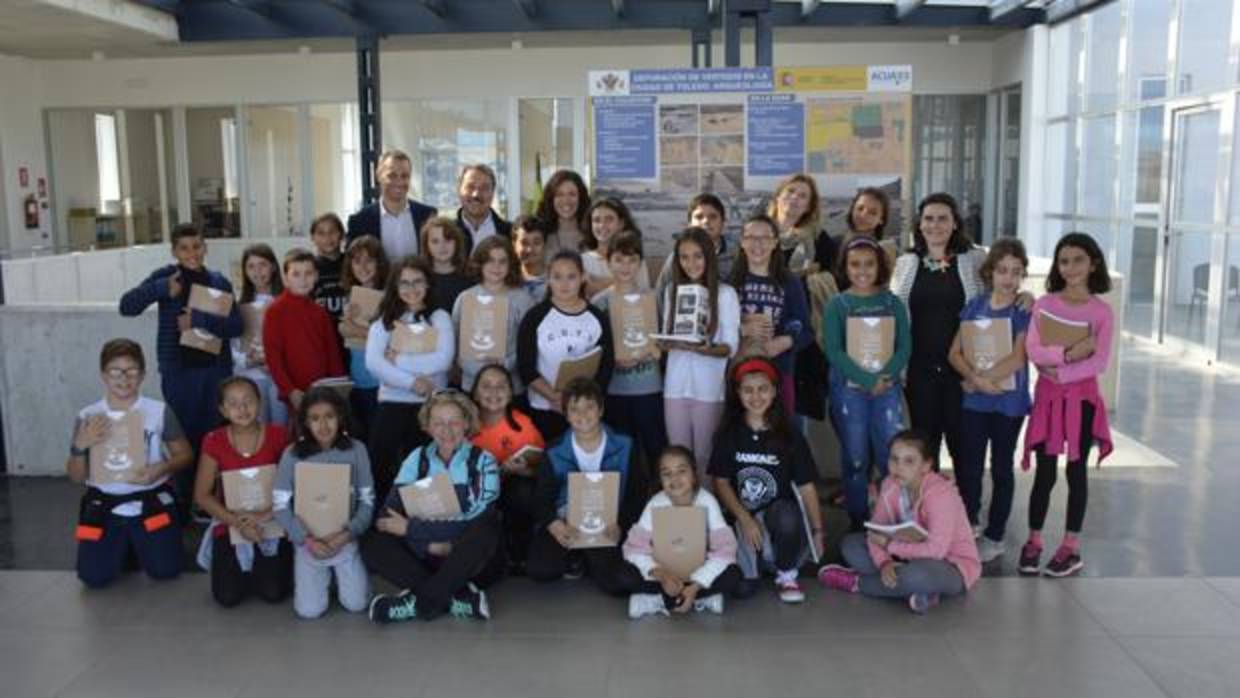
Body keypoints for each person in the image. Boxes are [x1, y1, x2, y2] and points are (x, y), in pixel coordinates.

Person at [118, 223, 241, 498]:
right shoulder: (165, 277)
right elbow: (126, 306)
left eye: (197, 246)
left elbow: (235, 327)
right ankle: (183, 504)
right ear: (174, 251)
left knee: (213, 438)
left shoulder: (219, 282)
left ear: (205, 247)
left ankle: (209, 502)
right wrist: (161, 289)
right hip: (179, 373)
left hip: (214, 371)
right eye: (184, 248)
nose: (191, 253)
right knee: (182, 440)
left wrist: (199, 320)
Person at [1019, 232, 1114, 578]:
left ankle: (1071, 547)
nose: (1070, 267)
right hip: (1047, 400)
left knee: (1076, 472)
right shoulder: (1045, 305)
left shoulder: (1102, 312)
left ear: (1093, 263)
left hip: (1082, 401)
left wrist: (1062, 373)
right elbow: (1033, 349)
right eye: (1064, 261)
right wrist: (1069, 354)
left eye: (1078, 260)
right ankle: (1033, 541)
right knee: (1044, 474)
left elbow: (1100, 361)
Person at [364, 390, 500, 622]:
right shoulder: (416, 459)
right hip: (423, 554)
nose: (446, 430)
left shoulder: (483, 460)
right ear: (427, 426)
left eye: (454, 422)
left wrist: (411, 529)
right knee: (370, 542)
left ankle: (416, 602)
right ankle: (457, 598)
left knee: (487, 528)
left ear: (466, 423)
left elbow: (476, 520)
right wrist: (430, 544)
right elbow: (388, 516)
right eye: (438, 423)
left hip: (465, 556)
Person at [68, 339, 193, 588]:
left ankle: (137, 544)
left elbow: (186, 455)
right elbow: (76, 477)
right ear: (103, 375)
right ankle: (125, 544)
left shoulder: (158, 411)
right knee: (93, 578)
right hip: (105, 505)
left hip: (151, 501)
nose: (124, 378)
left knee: (165, 571)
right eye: (115, 371)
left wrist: (162, 468)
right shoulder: (88, 416)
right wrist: (79, 446)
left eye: (131, 371)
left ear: (143, 374)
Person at [818, 430, 981, 614]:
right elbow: (875, 531)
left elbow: (937, 551)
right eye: (894, 459)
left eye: (909, 461)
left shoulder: (940, 494)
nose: (898, 467)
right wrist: (884, 563)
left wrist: (889, 547)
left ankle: (858, 583)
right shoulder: (890, 484)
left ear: (926, 466)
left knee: (916, 576)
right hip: (904, 556)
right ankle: (920, 593)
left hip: (949, 565)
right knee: (851, 545)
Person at [709, 358, 824, 604]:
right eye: (748, 390)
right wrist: (745, 518)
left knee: (786, 514)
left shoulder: (790, 434)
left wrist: (818, 530)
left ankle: (786, 573)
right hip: (744, 521)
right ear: (738, 393)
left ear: (774, 391)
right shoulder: (729, 433)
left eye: (763, 388)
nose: (756, 396)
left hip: (779, 522)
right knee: (741, 590)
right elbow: (721, 481)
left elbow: (806, 486)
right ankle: (757, 564)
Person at [947, 238, 1032, 562]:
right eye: (1002, 270)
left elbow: (1018, 358)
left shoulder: (1022, 311)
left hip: (1008, 403)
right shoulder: (974, 306)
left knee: (1001, 468)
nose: (1008, 278)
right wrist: (974, 379)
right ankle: (970, 523)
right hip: (976, 400)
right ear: (990, 272)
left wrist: (984, 380)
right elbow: (954, 353)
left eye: (1016, 272)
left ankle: (996, 536)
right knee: (969, 467)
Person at [891, 193, 987, 471]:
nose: (935, 225)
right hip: (920, 370)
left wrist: (1026, 296)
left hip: (962, 371)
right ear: (919, 225)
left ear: (955, 223)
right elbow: (896, 315)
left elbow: (997, 301)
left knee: (964, 447)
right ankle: (928, 510)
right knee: (925, 448)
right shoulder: (906, 263)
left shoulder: (975, 260)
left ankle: (967, 511)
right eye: (928, 219)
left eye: (943, 218)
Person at [527, 378, 648, 596]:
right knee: (541, 570)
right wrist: (555, 525)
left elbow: (637, 493)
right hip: (567, 522)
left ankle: (587, 557)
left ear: (601, 409)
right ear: (566, 414)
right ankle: (578, 555)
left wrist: (621, 525)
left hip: (607, 523)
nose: (582, 415)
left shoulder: (625, 444)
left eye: (589, 406)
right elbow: (542, 497)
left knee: (622, 584)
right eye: (574, 409)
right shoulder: (554, 450)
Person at [823, 237, 911, 528]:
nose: (862, 270)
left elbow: (904, 347)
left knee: (891, 457)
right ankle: (857, 520)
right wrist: (865, 379)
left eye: (869, 264)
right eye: (855, 264)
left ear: (879, 266)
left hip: (886, 391)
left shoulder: (892, 303)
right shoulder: (838, 304)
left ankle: (891, 518)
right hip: (849, 393)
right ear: (844, 267)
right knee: (856, 457)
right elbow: (834, 350)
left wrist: (882, 378)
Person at [271, 387, 374, 619]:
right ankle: (323, 578)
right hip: (309, 543)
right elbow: (279, 505)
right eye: (315, 418)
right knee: (309, 611)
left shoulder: (357, 450)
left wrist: (347, 535)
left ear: (341, 417)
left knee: (357, 604)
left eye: (329, 416)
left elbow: (367, 501)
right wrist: (306, 539)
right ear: (305, 422)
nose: (323, 425)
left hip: (344, 539)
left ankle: (346, 576)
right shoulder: (293, 453)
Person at [192, 376, 292, 607]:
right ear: (223, 410)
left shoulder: (279, 436)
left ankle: (264, 567)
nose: (242, 409)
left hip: (273, 518)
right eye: (233, 403)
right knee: (227, 597)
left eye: (248, 401)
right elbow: (202, 495)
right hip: (231, 521)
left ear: (260, 402)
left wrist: (264, 516)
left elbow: (293, 485)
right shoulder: (214, 440)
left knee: (274, 593)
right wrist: (239, 523)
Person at [364, 255, 455, 503]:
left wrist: (399, 360)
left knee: (426, 469)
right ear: (395, 286)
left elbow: (443, 360)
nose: (411, 289)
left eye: (418, 282)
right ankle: (383, 515)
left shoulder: (439, 317)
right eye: (404, 283)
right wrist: (412, 383)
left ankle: (425, 521)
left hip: (431, 405)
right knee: (381, 464)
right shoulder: (383, 322)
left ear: (428, 284)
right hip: (392, 402)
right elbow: (374, 363)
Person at [622, 446, 741, 619]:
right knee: (623, 575)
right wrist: (661, 575)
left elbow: (725, 551)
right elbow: (634, 549)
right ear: (660, 478)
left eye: (681, 471)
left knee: (733, 575)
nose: (674, 479)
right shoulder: (656, 503)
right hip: (663, 574)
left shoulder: (707, 501)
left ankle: (668, 598)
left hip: (697, 574)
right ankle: (699, 599)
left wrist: (696, 585)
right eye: (666, 473)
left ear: (694, 474)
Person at [658, 226, 739, 478]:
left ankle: (706, 514)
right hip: (674, 387)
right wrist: (665, 344)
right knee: (678, 456)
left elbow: (731, 346)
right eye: (684, 257)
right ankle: (684, 514)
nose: (690, 263)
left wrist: (708, 349)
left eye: (697, 256)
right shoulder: (672, 291)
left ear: (709, 256)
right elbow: (667, 332)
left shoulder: (726, 294)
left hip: (708, 390)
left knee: (704, 457)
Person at [517, 250, 615, 442]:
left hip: (585, 412)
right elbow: (525, 367)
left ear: (582, 277)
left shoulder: (597, 318)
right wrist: (555, 397)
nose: (564, 284)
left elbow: (606, 367)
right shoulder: (535, 317)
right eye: (557, 277)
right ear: (549, 279)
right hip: (545, 407)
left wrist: (582, 402)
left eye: (571, 277)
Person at [590, 231, 666, 468]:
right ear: (608, 261)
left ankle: (659, 499)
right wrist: (611, 358)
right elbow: (592, 348)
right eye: (619, 260)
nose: (625, 266)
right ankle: (625, 502)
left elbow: (663, 341)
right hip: (614, 390)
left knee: (655, 449)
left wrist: (653, 350)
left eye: (632, 260)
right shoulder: (599, 302)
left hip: (649, 388)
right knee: (621, 454)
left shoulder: (652, 299)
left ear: (641, 263)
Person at [730, 213, 812, 417]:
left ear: (775, 243)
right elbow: (717, 330)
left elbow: (806, 331)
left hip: (779, 372)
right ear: (742, 242)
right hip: (740, 373)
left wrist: (784, 341)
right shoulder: (730, 282)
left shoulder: (790, 282)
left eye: (765, 238)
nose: (758, 244)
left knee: (782, 435)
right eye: (750, 237)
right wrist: (742, 329)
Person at [471, 364, 546, 572]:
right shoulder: (464, 425)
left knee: (524, 490)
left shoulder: (524, 426)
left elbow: (543, 470)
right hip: (475, 496)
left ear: (511, 393)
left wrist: (527, 471)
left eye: (501, 386)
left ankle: (519, 546)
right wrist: (497, 470)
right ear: (475, 393)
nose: (494, 392)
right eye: (486, 386)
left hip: (512, 496)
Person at [261, 248, 347, 414]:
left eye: (308, 273)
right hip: (296, 392)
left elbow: (332, 354)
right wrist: (290, 391)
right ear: (286, 278)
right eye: (296, 274)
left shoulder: (320, 312)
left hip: (324, 391)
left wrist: (339, 386)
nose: (303, 279)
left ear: (315, 276)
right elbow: (273, 357)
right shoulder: (275, 311)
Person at [451, 236, 535, 394]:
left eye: (502, 261)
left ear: (510, 265)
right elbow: (455, 340)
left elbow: (529, 344)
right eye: (490, 260)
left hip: (510, 386)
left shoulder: (523, 299)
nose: (496, 267)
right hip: (473, 384)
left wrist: (506, 363)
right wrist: (469, 366)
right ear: (480, 263)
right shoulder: (465, 298)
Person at [337, 235, 391, 441]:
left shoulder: (390, 296)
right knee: (364, 436)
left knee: (383, 440)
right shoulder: (351, 295)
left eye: (369, 260)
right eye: (357, 261)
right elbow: (344, 332)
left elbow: (391, 339)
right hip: (359, 379)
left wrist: (353, 329)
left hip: (383, 381)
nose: (363, 267)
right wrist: (346, 326)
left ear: (380, 263)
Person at [346, 149, 438, 261]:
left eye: (404, 176)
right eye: (392, 176)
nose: (399, 182)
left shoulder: (427, 216)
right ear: (378, 176)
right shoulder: (359, 222)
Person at [232, 243, 287, 426]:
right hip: (252, 376)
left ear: (273, 266)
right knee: (259, 429)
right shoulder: (238, 306)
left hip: (281, 376)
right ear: (245, 271)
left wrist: (276, 360)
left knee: (282, 429)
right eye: (251, 266)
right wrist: (247, 360)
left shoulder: (287, 300)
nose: (257, 271)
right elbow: (232, 348)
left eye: (262, 264)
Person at [654, 193, 736, 299]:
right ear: (689, 223)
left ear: (723, 222)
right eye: (699, 217)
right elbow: (661, 296)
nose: (706, 221)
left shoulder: (735, 257)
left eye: (713, 217)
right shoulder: (676, 258)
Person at [767, 173, 838, 277]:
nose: (794, 197)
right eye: (790, 191)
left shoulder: (818, 239)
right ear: (778, 196)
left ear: (808, 207)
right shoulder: (758, 232)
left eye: (802, 196)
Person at [582, 197, 649, 297]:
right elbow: (587, 290)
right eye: (596, 220)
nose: (602, 225)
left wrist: (599, 282)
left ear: (621, 223)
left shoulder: (635, 258)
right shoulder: (582, 260)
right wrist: (625, 281)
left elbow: (642, 293)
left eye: (609, 219)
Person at [835, 187, 898, 275]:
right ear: (852, 209)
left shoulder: (884, 250)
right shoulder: (834, 244)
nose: (863, 215)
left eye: (873, 212)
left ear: (881, 219)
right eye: (860, 208)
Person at [421, 216, 474, 315]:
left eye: (448, 240)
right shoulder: (419, 278)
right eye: (435, 241)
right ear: (426, 245)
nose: (442, 246)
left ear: (457, 243)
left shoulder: (471, 277)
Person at [455, 163, 512, 254]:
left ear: (493, 193)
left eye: (484, 188)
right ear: (459, 191)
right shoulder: (445, 234)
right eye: (470, 187)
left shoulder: (510, 233)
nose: (476, 194)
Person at [535, 169, 590, 256]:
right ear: (551, 199)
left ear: (581, 198)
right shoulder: (540, 235)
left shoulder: (592, 234)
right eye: (559, 195)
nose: (566, 200)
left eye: (572, 194)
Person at [310, 212, 348, 325]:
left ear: (341, 234)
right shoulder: (309, 267)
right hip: (321, 333)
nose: (327, 237)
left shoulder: (353, 263)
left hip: (351, 334)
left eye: (332, 232)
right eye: (321, 233)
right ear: (313, 237)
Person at [513, 214, 549, 302]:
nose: (530, 249)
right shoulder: (506, 280)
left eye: (536, 243)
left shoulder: (557, 280)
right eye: (524, 243)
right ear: (514, 245)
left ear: (545, 245)